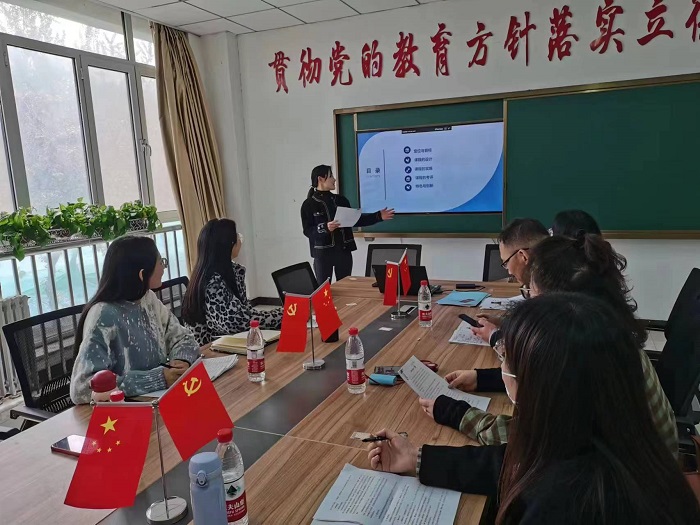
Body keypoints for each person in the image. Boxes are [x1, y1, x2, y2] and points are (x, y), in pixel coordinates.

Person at [369, 294, 699, 525]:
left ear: (544, 387)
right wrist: (418, 459)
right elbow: (515, 463)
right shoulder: (609, 438)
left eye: (507, 361)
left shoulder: (563, 503)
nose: (503, 369)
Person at [423, 233, 678, 457]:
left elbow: (527, 443)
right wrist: (482, 378)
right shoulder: (605, 338)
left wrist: (460, 415)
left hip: (628, 491)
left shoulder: (584, 362)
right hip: (653, 475)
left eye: (531, 293)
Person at [70, 236, 199, 404]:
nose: (164, 267)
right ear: (142, 274)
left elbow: (183, 337)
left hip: (158, 402)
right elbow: (82, 387)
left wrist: (181, 361)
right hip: (122, 412)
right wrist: (157, 379)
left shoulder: (148, 299)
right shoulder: (103, 315)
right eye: (161, 262)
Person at [182, 219, 283, 346]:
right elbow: (237, 322)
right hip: (210, 349)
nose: (240, 240)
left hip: (228, 343)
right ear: (229, 245)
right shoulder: (212, 282)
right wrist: (282, 315)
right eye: (237, 236)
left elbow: (245, 313)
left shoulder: (231, 271)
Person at [300, 165, 394, 284]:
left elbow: (355, 220)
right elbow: (308, 231)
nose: (334, 179)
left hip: (343, 252)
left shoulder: (341, 200)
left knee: (345, 285)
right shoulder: (309, 204)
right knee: (323, 289)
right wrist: (325, 227)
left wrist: (378, 216)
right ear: (321, 179)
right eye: (331, 176)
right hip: (322, 254)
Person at [471, 218, 549, 345]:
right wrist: (505, 323)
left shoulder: (549, 289)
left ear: (523, 256)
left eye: (506, 263)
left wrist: (494, 337)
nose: (509, 271)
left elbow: (538, 347)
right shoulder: (552, 272)